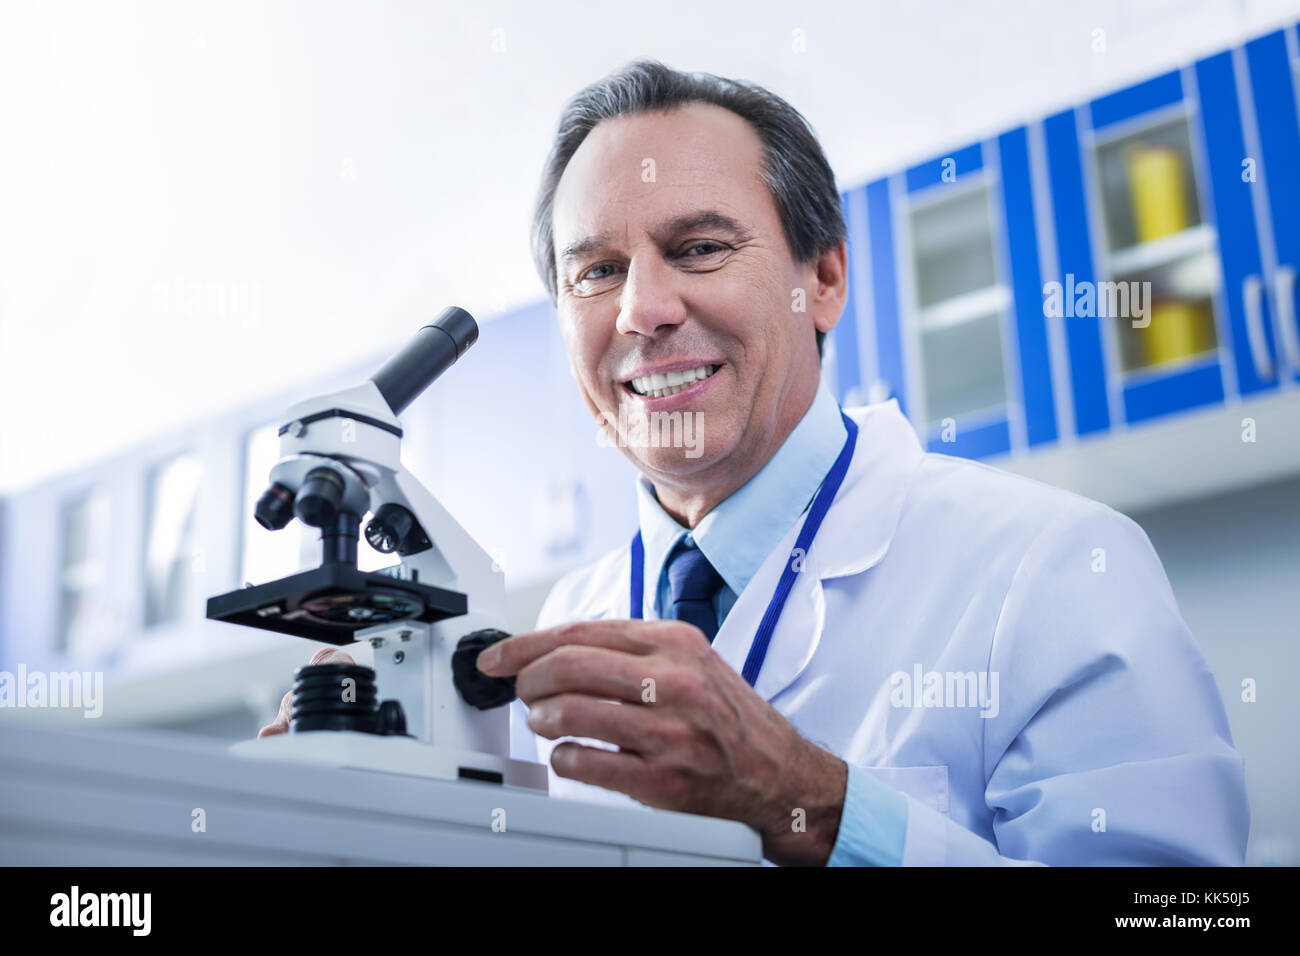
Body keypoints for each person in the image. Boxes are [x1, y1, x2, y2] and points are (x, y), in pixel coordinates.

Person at [263, 60, 1249, 867]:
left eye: (696, 247)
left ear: (821, 278)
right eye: (596, 270)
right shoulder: (565, 620)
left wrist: (814, 804)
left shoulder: (1057, 566)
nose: (641, 310)